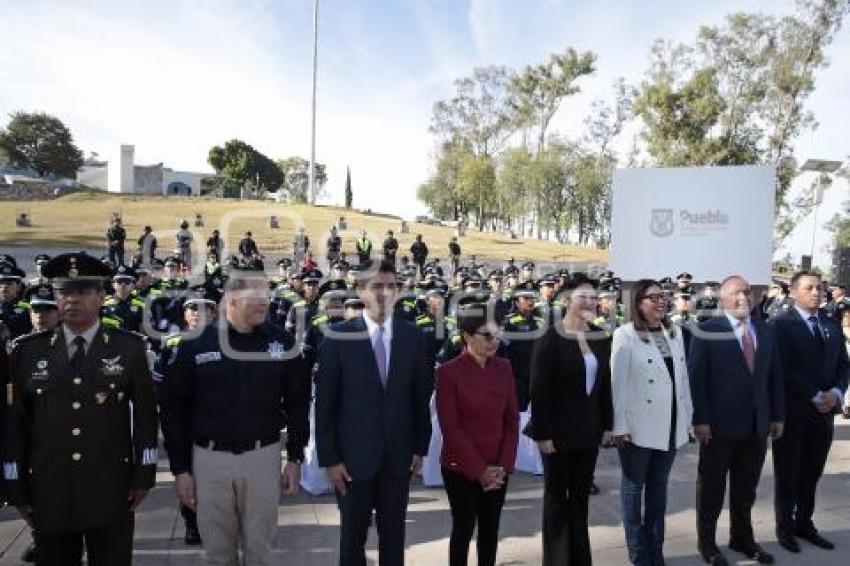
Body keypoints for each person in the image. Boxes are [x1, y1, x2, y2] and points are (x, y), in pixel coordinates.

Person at [3, 252, 159, 566]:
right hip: (49, 487)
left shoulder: (128, 348)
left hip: (110, 485)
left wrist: (145, 474)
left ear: (102, 296)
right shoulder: (27, 352)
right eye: (64, 292)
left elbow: (145, 415)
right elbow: (14, 424)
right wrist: (14, 485)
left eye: (83, 291)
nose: (72, 299)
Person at [164, 267, 310, 565]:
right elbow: (173, 410)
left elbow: (298, 404)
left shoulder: (282, 343)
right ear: (230, 298)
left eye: (267, 295)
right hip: (209, 459)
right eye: (255, 295)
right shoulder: (194, 344)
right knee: (218, 551)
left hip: (263, 457)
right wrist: (180, 470)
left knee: (260, 549)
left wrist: (295, 458)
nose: (265, 302)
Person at [315, 260, 431, 566]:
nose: (384, 293)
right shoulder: (338, 337)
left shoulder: (413, 337)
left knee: (394, 540)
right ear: (360, 290)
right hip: (352, 462)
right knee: (352, 541)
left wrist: (420, 447)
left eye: (391, 286)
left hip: (398, 458)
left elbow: (420, 397)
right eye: (376, 286)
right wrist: (330, 459)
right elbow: (325, 403)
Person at [687, 275, 784, 565]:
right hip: (718, 428)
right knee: (712, 490)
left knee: (745, 490)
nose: (743, 297)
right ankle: (707, 544)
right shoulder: (706, 330)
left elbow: (774, 376)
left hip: (756, 427)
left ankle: (742, 538)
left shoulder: (765, 330)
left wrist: (777, 415)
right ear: (722, 299)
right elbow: (696, 380)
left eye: (747, 293)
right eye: (735, 293)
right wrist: (700, 419)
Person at [525, 273, 613, 566]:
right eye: (583, 297)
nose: (590, 303)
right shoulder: (550, 338)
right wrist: (543, 434)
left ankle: (579, 559)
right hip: (557, 435)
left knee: (580, 499)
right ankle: (557, 560)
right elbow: (539, 390)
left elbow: (604, 386)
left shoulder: (601, 337)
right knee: (556, 499)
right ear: (566, 301)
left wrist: (607, 425)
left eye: (593, 297)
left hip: (588, 432)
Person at [611, 279, 693, 566]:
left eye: (663, 296)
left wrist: (689, 418)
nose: (661, 301)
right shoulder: (625, 334)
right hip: (637, 427)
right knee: (633, 490)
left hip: (670, 425)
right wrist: (619, 426)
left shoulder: (675, 332)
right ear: (638, 302)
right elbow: (617, 383)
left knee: (659, 490)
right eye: (653, 297)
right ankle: (638, 552)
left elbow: (682, 380)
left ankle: (655, 550)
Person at [771, 270, 848, 554]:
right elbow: (782, 369)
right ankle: (784, 527)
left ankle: (804, 522)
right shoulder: (781, 325)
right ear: (793, 293)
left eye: (820, 288)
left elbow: (843, 365)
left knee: (812, 473)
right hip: (794, 413)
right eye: (809, 288)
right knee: (788, 473)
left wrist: (836, 394)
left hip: (824, 415)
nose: (817, 292)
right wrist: (814, 395)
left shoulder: (830, 322)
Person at [436, 306, 518, 566]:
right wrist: (480, 470)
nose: (494, 342)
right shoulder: (448, 372)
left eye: (497, 335)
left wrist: (503, 466)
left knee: (490, 530)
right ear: (467, 336)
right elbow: (451, 427)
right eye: (487, 336)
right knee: (463, 528)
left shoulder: (504, 368)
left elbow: (511, 420)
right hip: (461, 467)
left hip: (497, 468)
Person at [0, 262, 32, 338]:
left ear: (18, 287)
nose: (4, 286)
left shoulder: (28, 307)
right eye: (1, 282)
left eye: (9, 283)